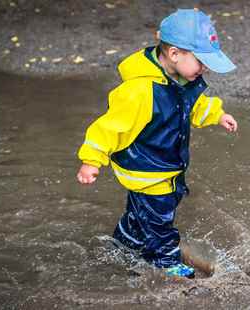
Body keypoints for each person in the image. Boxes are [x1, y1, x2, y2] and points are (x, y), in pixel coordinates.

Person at [76, 8, 237, 278]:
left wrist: (218, 115)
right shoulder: (139, 91)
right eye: (201, 60)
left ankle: (124, 243)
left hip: (158, 167)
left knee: (140, 214)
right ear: (175, 54)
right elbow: (109, 126)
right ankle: (165, 262)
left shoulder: (182, 79)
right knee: (161, 221)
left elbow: (193, 106)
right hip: (149, 170)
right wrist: (91, 160)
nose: (205, 67)